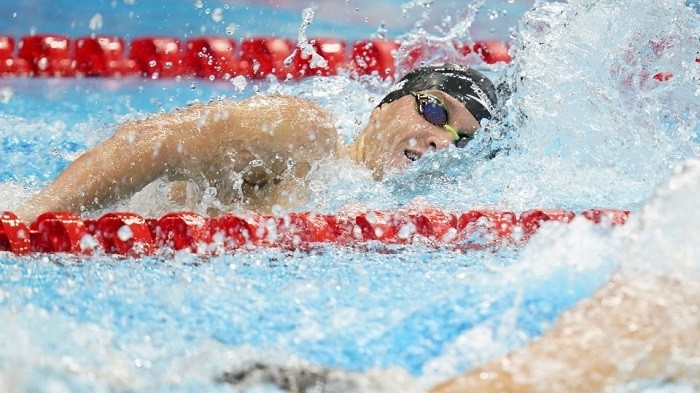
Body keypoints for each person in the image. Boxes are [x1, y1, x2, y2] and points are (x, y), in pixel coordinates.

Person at [16, 63, 496, 221]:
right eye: (434, 110)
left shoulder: (393, 214)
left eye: (460, 141)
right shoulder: (305, 135)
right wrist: (28, 222)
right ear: (386, 103)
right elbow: (152, 143)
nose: (438, 140)